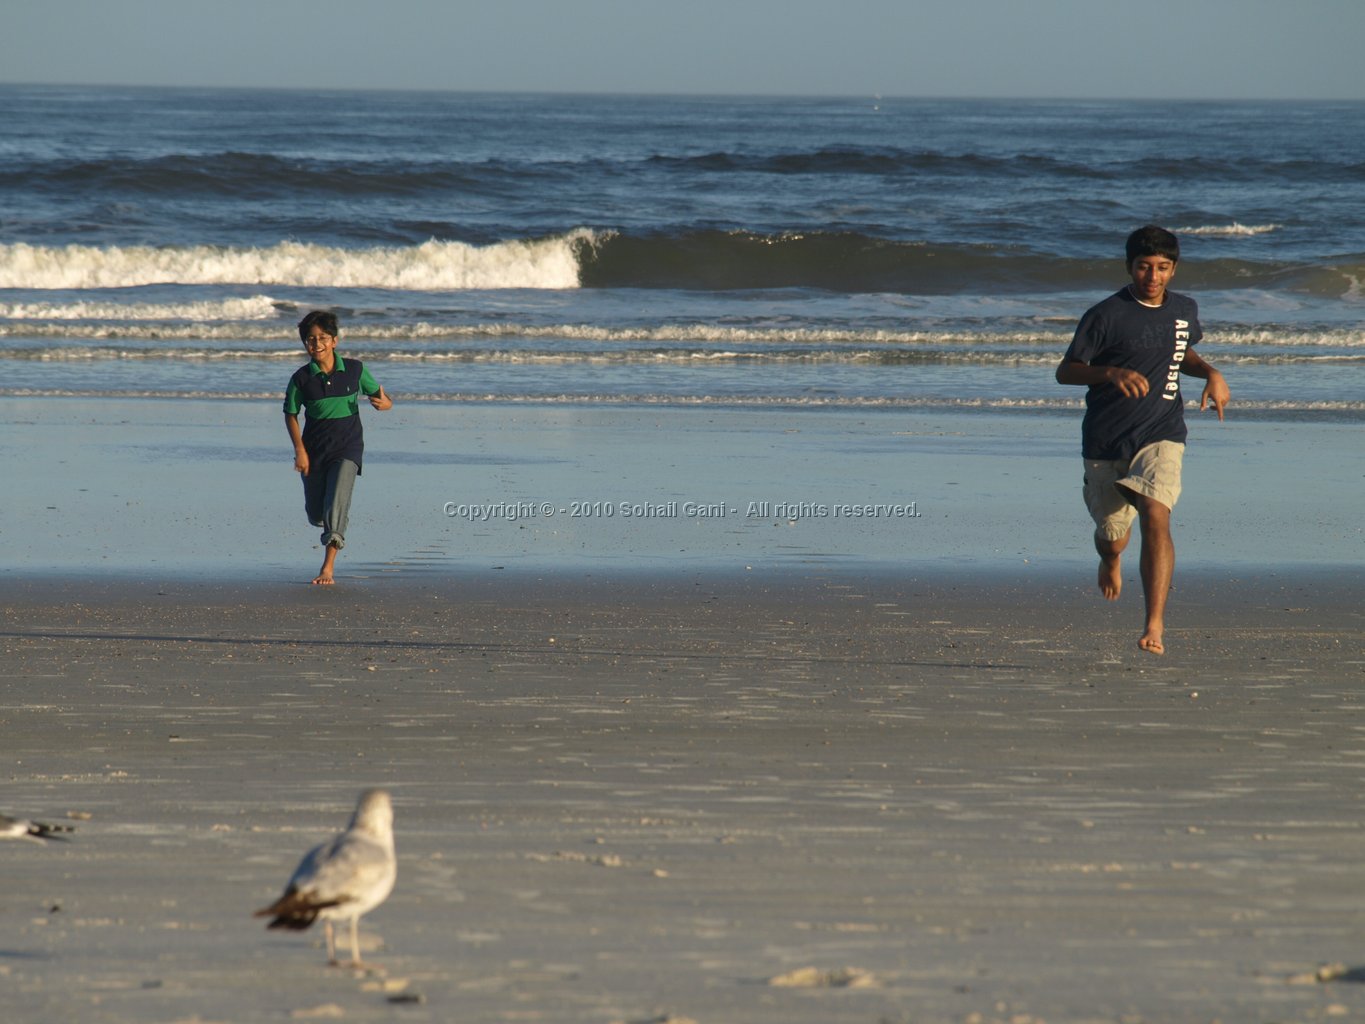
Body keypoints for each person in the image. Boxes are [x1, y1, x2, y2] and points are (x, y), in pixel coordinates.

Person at [1055, 225, 1230, 655]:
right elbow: (1066, 371)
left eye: (1163, 267)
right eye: (1144, 267)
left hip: (1161, 431)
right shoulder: (1105, 314)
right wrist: (1109, 372)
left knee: (1156, 513)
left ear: (1174, 269)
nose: (1153, 276)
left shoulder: (1184, 310)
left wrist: (1210, 372)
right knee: (1114, 536)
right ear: (1129, 266)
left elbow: (1181, 352)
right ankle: (1110, 558)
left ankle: (1154, 623)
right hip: (1107, 438)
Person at [283, 311, 392, 585]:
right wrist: (300, 450)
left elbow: (381, 396)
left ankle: (327, 567)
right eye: (310, 339)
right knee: (316, 513)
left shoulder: (355, 370)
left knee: (336, 504)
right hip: (314, 451)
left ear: (335, 341)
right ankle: (327, 520)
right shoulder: (301, 379)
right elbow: (290, 414)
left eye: (322, 338)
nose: (316, 343)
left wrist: (385, 404)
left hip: (347, 448)